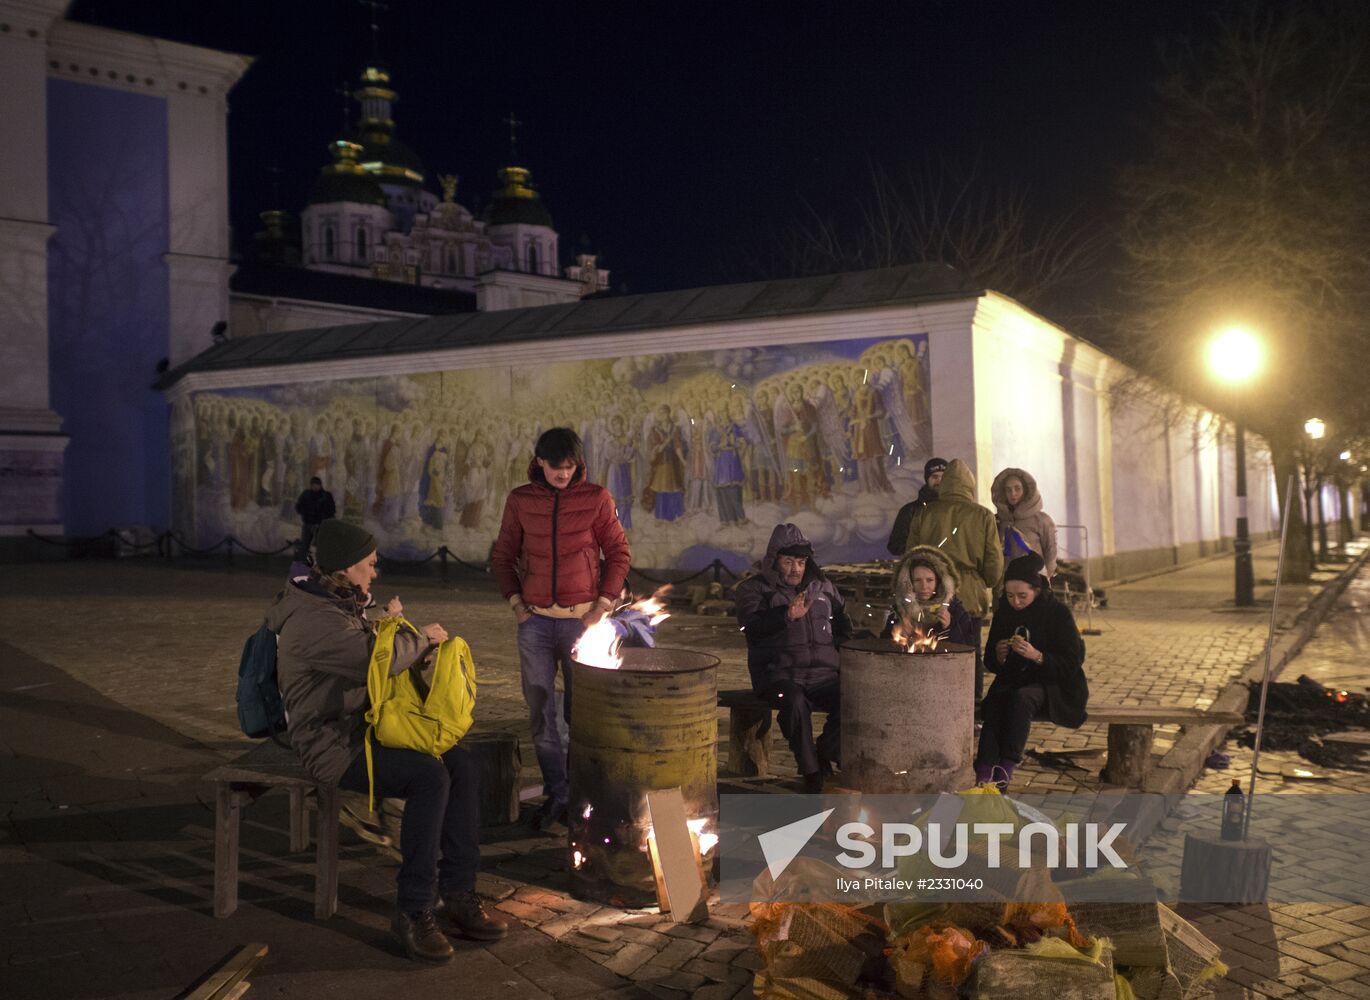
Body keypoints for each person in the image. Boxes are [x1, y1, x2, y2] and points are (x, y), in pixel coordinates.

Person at [267, 519, 506, 962]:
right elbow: (369, 662)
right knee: (429, 778)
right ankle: (413, 910)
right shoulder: (312, 618)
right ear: (346, 567)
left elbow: (364, 642)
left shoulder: (334, 599)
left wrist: (385, 621)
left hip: (366, 726)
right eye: (370, 565)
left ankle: (457, 891)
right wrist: (421, 639)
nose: (375, 574)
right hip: (331, 743)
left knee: (462, 763)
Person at [491, 428, 631, 830]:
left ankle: (582, 792)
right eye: (556, 466)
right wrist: (516, 603)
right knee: (541, 711)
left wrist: (603, 604)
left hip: (580, 622)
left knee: (580, 712)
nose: (563, 474)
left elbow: (618, 552)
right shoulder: (520, 500)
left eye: (570, 466)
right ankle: (559, 791)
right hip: (534, 623)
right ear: (539, 462)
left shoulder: (597, 498)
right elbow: (503, 555)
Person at [735, 523, 852, 793]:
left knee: (855, 697)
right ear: (774, 560)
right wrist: (785, 616)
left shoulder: (823, 587)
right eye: (788, 561)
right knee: (795, 703)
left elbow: (845, 626)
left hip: (823, 675)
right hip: (778, 676)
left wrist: (837, 650)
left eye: (801, 561)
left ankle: (825, 750)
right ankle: (811, 772)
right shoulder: (754, 589)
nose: (796, 568)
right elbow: (750, 627)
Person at [976, 552, 1087, 789]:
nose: (1015, 601)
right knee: (997, 700)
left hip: (1053, 684)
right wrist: (999, 655)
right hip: (1013, 678)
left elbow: (1071, 662)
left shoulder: (1057, 613)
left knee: (1021, 699)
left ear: (1036, 590)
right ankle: (984, 771)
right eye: (1010, 595)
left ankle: (1005, 767)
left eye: (1022, 596)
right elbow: (991, 663)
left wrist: (1037, 656)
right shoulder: (1005, 611)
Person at [902, 458, 1003, 701]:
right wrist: (984, 582)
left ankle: (931, 702)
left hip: (931, 590)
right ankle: (972, 706)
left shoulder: (925, 512)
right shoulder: (983, 516)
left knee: (931, 647)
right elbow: (994, 562)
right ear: (970, 485)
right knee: (970, 652)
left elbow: (912, 554)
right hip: (969, 592)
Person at [884, 544, 978, 648]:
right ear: (908, 582)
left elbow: (970, 650)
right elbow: (882, 648)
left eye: (929, 580)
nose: (924, 586)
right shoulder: (899, 610)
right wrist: (896, 634)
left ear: (939, 582)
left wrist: (950, 627)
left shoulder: (955, 610)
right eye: (917, 580)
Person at [991, 467, 1059, 578]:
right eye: (1008, 490)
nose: (1013, 493)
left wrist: (1043, 582)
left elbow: (1050, 556)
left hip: (1033, 583)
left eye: (1017, 488)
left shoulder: (1042, 520)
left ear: (1026, 490)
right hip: (1006, 583)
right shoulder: (998, 521)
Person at [887, 457, 947, 555]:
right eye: (934, 477)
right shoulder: (909, 511)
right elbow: (895, 545)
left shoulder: (956, 510)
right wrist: (921, 552)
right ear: (927, 479)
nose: (939, 481)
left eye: (944, 477)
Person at [294, 477, 336, 559]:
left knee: (318, 547)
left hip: (320, 525)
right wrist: (306, 513)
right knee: (304, 546)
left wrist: (322, 520)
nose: (315, 487)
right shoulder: (306, 494)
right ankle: (302, 566)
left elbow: (331, 510)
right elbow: (298, 507)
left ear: (320, 485)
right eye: (313, 485)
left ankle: (317, 565)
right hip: (308, 524)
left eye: (317, 485)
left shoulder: (326, 496)